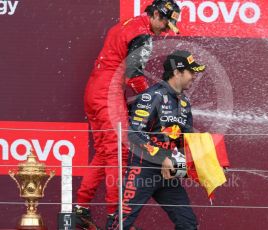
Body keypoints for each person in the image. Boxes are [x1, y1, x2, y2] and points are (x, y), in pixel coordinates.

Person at [73, 1, 181, 229]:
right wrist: (152, 99)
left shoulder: (127, 24)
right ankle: (116, 218)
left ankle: (80, 210)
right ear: (154, 14)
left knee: (104, 152)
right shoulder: (142, 35)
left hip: (94, 90)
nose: (165, 30)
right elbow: (134, 76)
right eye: (165, 23)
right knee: (118, 154)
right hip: (107, 93)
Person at [107, 50, 206, 230]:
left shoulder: (184, 103)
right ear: (177, 72)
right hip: (143, 169)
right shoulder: (152, 96)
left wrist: (200, 166)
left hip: (168, 173)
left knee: (188, 224)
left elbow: (185, 141)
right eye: (191, 72)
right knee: (121, 223)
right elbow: (134, 133)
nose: (194, 76)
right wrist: (163, 158)